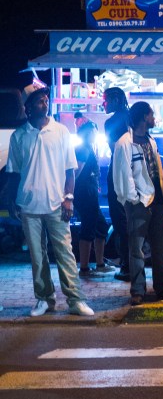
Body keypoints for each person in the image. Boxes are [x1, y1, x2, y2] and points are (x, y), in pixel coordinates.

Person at [5, 88, 94, 317]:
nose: (44, 103)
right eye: (38, 101)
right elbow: (13, 173)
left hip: (57, 204)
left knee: (65, 253)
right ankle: (45, 299)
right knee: (37, 256)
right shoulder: (19, 136)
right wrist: (11, 200)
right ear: (28, 108)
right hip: (28, 205)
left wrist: (69, 198)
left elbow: (70, 170)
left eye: (45, 100)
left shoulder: (61, 131)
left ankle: (76, 300)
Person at [112, 102, 163, 304]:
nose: (154, 119)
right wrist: (134, 199)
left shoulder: (150, 140)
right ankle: (138, 290)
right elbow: (123, 174)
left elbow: (156, 169)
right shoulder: (125, 143)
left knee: (159, 248)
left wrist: (162, 192)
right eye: (152, 115)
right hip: (139, 202)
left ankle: (161, 288)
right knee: (136, 249)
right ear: (144, 117)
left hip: (156, 201)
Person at [73, 122, 114, 276]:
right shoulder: (83, 149)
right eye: (95, 131)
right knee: (88, 227)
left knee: (101, 226)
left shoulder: (87, 147)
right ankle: (84, 268)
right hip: (84, 193)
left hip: (89, 191)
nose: (96, 134)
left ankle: (100, 263)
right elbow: (76, 172)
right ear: (89, 132)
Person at [103, 86, 132, 282]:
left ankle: (126, 266)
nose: (103, 103)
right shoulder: (132, 117)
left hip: (118, 173)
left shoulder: (111, 122)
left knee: (120, 221)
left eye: (105, 100)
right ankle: (132, 264)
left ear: (114, 100)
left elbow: (114, 149)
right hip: (135, 173)